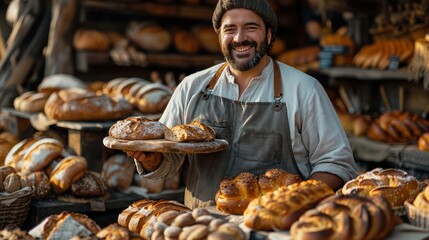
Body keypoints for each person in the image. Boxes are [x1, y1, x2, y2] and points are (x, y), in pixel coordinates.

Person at [127, 0, 358, 209]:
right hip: (204, 227)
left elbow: (335, 162)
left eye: (251, 27)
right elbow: (168, 157)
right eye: (230, 29)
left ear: (268, 35)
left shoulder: (304, 89)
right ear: (219, 37)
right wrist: (150, 159)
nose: (239, 38)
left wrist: (300, 203)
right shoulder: (192, 87)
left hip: (273, 230)